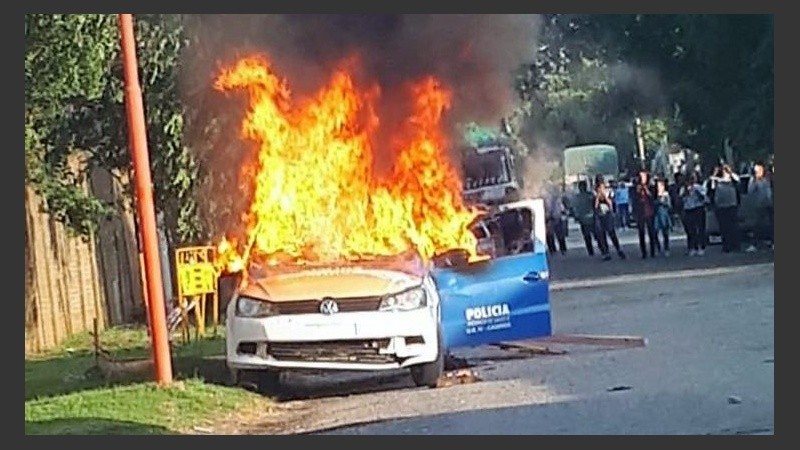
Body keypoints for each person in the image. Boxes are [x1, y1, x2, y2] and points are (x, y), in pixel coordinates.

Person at [594, 176, 626, 261]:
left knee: (611, 233)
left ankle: (618, 249)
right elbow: (595, 206)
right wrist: (597, 196)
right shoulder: (594, 193)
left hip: (608, 214)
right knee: (601, 235)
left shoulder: (609, 191)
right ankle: (605, 252)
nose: (601, 187)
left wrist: (604, 195)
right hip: (599, 215)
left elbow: (611, 204)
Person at [709, 164, 740, 253]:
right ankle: (727, 246)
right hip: (721, 206)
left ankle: (736, 245)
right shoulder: (717, 181)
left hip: (732, 205)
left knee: (733, 227)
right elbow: (712, 187)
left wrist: (730, 172)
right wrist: (714, 175)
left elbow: (738, 179)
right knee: (724, 228)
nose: (724, 173)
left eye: (725, 171)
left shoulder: (732, 181)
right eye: (723, 171)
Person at [745, 161, 773, 252]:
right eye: (756, 170)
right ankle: (754, 244)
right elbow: (750, 191)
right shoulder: (753, 180)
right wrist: (754, 180)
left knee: (772, 224)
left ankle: (773, 242)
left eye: (759, 170)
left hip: (770, 203)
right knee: (757, 225)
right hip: (760, 205)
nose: (758, 172)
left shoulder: (768, 178)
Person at [632, 169, 658, 259]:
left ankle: (653, 251)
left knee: (652, 232)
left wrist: (646, 189)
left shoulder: (651, 186)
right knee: (641, 233)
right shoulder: (635, 187)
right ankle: (643, 252)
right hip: (640, 213)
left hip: (649, 212)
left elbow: (653, 198)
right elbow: (634, 200)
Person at [680, 172, 708, 256]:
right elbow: (681, 198)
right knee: (691, 230)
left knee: (700, 228)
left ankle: (701, 247)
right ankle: (693, 247)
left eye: (693, 178)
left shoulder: (699, 187)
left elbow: (704, 198)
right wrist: (686, 191)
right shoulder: (684, 188)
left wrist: (696, 192)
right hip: (688, 209)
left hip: (698, 208)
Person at [571, 180, 597, 256]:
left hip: (587, 218)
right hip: (589, 218)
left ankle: (591, 251)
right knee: (590, 235)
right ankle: (594, 250)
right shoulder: (590, 195)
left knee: (588, 236)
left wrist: (576, 216)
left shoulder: (580, 197)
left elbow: (574, 208)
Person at [545, 184, 568, 255]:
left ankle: (559, 249)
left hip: (554, 218)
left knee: (556, 234)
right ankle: (556, 249)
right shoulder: (551, 199)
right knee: (552, 235)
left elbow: (562, 208)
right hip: (551, 218)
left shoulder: (557, 199)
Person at [654, 178, 672, 257]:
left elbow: (669, 205)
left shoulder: (666, 194)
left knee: (665, 232)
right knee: (655, 232)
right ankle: (658, 248)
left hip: (664, 214)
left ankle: (666, 249)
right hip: (657, 215)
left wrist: (662, 203)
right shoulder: (655, 195)